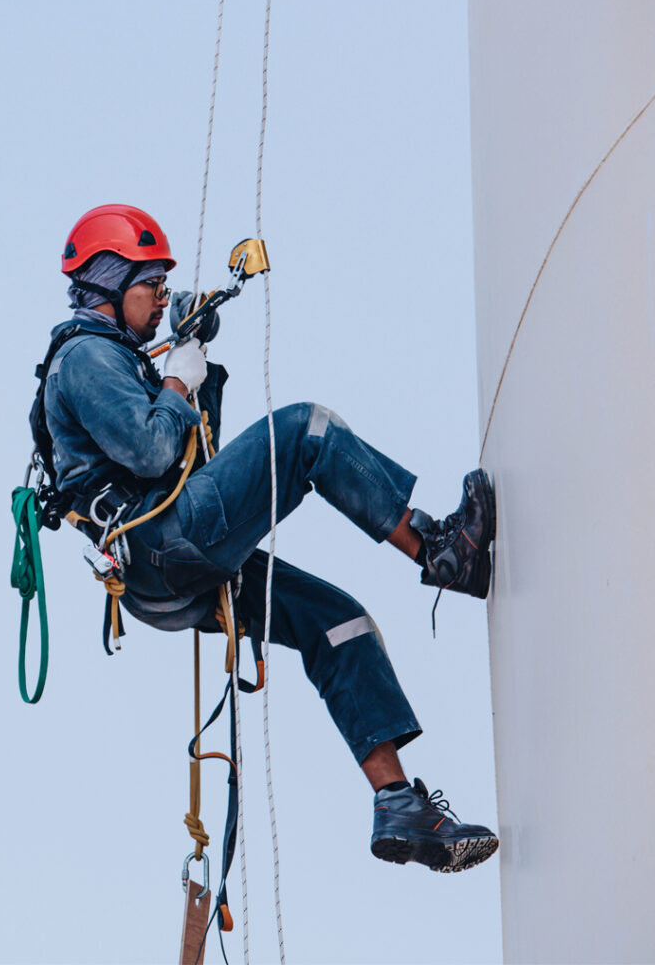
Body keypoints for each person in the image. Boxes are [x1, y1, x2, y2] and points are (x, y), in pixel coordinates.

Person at [43, 204, 499, 873]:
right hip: (162, 545)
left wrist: (194, 361)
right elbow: (150, 450)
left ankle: (397, 801)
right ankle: (441, 551)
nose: (159, 298)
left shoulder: (121, 363)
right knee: (306, 430)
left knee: (337, 622)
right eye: (151, 285)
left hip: (168, 567)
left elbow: (193, 462)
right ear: (108, 284)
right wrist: (178, 373)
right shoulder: (85, 356)